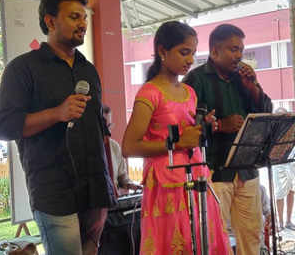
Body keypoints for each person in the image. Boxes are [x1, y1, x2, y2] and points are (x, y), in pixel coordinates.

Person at [0, 0, 116, 255]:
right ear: (50, 21)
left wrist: (110, 181)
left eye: (84, 18)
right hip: (54, 191)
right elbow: (3, 126)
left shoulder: (88, 69)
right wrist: (56, 113)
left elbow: (100, 130)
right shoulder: (23, 69)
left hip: (95, 190)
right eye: (74, 17)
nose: (83, 24)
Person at [122, 21, 232, 255]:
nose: (190, 59)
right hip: (167, 182)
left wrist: (204, 127)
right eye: (184, 52)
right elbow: (129, 147)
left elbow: (187, 132)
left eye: (193, 52)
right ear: (163, 51)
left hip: (197, 177)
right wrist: (178, 143)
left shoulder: (189, 92)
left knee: (203, 241)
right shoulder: (149, 93)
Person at [183, 23, 272, 255]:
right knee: (214, 238)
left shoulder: (242, 79)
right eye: (233, 49)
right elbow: (185, 126)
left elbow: (266, 112)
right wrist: (220, 125)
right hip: (214, 170)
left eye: (241, 49)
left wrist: (253, 87)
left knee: (252, 234)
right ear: (214, 51)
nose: (239, 55)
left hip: (247, 169)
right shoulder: (196, 80)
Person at [102, 104, 141, 195]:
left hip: (114, 199)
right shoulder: (84, 148)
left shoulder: (114, 146)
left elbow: (122, 177)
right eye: (104, 127)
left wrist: (130, 185)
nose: (108, 131)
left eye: (110, 126)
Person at [272, 107, 295, 232]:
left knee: (291, 191)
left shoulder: (291, 128)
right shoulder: (273, 130)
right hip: (278, 164)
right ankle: (280, 222)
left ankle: (288, 221)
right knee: (279, 193)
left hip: (291, 162)